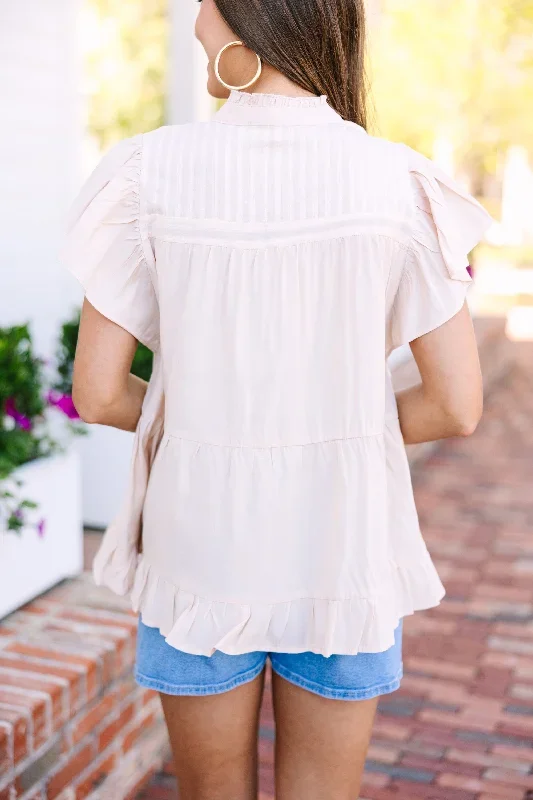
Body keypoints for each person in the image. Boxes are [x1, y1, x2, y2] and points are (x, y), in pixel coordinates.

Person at [64, 0, 492, 797]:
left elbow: (96, 391)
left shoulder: (147, 172)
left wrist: (196, 418)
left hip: (198, 555)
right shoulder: (396, 180)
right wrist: (334, 426)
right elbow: (455, 404)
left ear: (251, 18)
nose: (194, 14)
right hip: (344, 550)